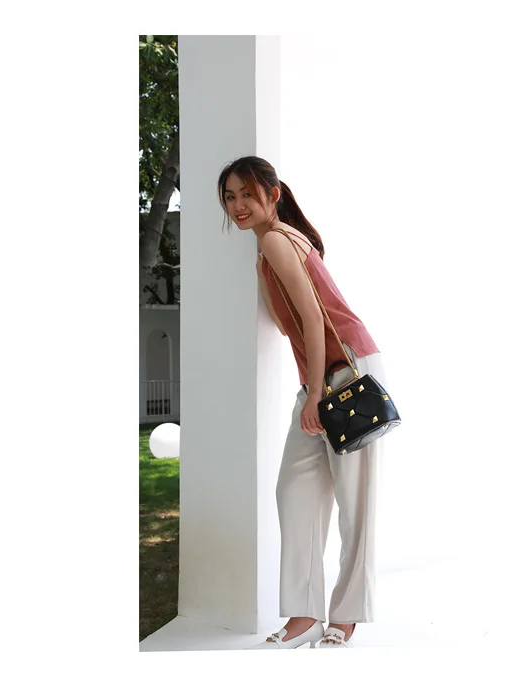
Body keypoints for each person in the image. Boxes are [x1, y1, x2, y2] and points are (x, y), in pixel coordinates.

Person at [216, 156, 391, 650]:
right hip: (321, 376)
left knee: (354, 501)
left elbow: (314, 320)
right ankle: (305, 614)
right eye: (229, 197)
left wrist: (314, 395)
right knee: (294, 489)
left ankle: (346, 615)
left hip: (347, 374)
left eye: (247, 194)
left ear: (273, 195)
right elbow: (290, 322)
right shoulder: (273, 246)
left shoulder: (277, 239)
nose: (238, 205)